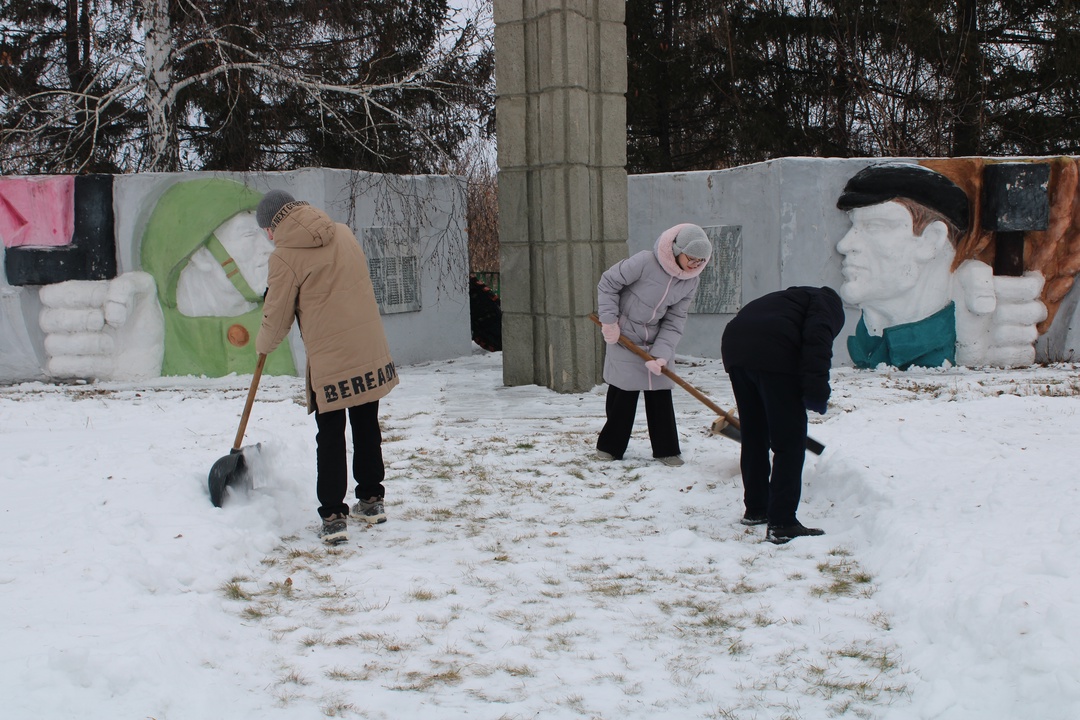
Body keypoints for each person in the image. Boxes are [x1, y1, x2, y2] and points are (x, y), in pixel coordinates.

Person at [255, 189, 399, 545]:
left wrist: (262, 347)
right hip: (366, 347)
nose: (267, 238)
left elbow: (276, 319)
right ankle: (371, 498)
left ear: (273, 226)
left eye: (265, 231)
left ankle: (334, 515)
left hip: (331, 356)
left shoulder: (285, 258)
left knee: (330, 434)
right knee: (366, 423)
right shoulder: (343, 233)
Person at [721, 286, 845, 544]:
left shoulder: (785, 298)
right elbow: (818, 341)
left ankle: (756, 508)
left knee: (754, 436)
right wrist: (816, 392)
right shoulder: (827, 304)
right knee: (789, 442)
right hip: (772, 351)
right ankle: (783, 522)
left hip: (736, 348)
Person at [596, 223, 712, 467]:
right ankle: (610, 447)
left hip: (657, 338)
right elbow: (608, 283)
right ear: (677, 250)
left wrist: (661, 353)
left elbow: (675, 319)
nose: (696, 264)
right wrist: (609, 321)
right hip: (624, 335)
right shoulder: (645, 262)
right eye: (692, 258)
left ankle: (666, 450)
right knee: (623, 392)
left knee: (660, 390)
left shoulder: (690, 281)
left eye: (701, 260)